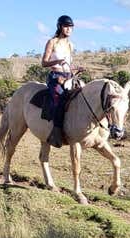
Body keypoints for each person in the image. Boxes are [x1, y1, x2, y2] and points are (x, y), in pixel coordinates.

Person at [41, 15, 82, 148]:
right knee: (59, 97)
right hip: (55, 77)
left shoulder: (70, 45)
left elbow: (69, 64)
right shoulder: (52, 42)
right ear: (60, 27)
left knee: (81, 93)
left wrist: (76, 69)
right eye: (66, 26)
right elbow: (44, 63)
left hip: (68, 76)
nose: (69, 29)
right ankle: (56, 132)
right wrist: (57, 61)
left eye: (71, 27)